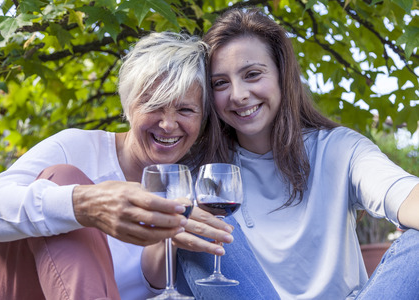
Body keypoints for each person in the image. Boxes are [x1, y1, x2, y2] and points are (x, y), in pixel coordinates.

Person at [168, 8, 419, 300]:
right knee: (192, 223)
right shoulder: (202, 175)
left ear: (281, 75)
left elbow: (402, 193)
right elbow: (154, 276)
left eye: (252, 74)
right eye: (220, 83)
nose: (238, 95)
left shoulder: (339, 149)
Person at [0, 31, 234, 299]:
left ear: (202, 119)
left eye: (185, 110)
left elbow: (138, 288)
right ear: (129, 106)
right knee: (64, 177)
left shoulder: (188, 185)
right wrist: (83, 205)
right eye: (153, 106)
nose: (167, 124)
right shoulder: (78, 148)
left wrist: (169, 243)